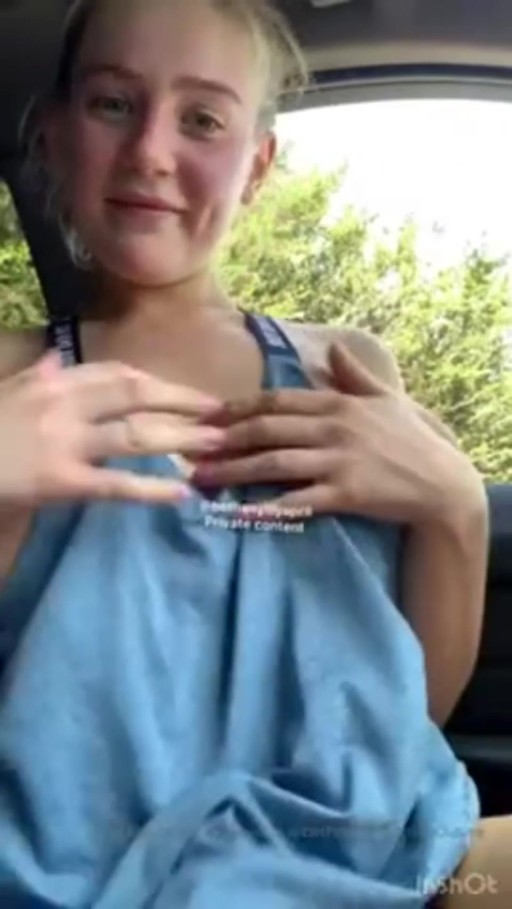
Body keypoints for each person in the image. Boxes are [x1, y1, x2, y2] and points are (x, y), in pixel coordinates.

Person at [0, 0, 504, 905]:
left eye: (202, 119)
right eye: (114, 103)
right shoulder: (13, 377)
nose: (151, 151)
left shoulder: (343, 368)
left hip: (360, 853)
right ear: (55, 136)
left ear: (258, 166)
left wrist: (455, 512)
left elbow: (405, 714)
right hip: (69, 868)